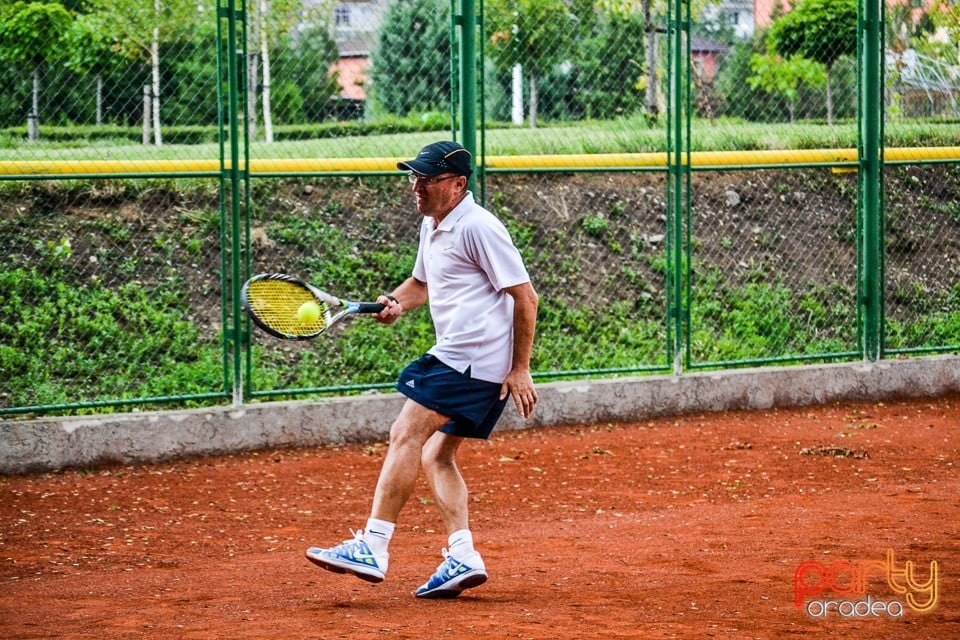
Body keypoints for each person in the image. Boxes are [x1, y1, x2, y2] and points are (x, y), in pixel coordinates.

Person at [305, 140, 539, 599]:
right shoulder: (434, 225)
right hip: (474, 364)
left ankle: (373, 545)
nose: (416, 187)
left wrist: (521, 368)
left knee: (404, 433)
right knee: (435, 454)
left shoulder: (479, 227)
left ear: (457, 185)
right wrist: (396, 302)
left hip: (469, 359)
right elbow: (422, 284)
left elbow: (525, 297)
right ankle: (462, 555)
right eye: (413, 177)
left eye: (426, 179)